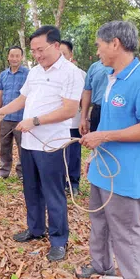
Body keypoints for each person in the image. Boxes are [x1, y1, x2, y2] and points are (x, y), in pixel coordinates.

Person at [77, 21, 140, 279]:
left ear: (115, 43)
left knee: (125, 231)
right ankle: (101, 266)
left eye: (99, 46)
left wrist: (103, 136)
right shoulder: (112, 77)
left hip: (125, 174)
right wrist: (95, 154)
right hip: (103, 168)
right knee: (99, 221)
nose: (97, 52)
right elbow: (109, 121)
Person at [0, 26, 84, 261]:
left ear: (55, 45)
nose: (37, 55)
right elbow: (22, 99)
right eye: (33, 51)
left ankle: (58, 240)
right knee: (31, 189)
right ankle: (35, 230)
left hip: (51, 143)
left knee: (53, 191)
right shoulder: (34, 73)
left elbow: (69, 109)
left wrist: (35, 121)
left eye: (40, 49)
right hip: (29, 142)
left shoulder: (70, 72)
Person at [0, 46, 29, 180]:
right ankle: (4, 170)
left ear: (21, 57)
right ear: (8, 57)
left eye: (17, 56)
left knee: (23, 146)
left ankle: (22, 172)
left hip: (22, 118)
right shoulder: (3, 75)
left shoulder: (28, 74)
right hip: (6, 118)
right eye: (12, 56)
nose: (14, 59)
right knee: (4, 146)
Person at [60, 40, 86, 195]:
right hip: (56, 123)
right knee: (59, 153)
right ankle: (60, 181)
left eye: (64, 54)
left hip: (74, 123)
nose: (61, 57)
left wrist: (84, 118)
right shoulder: (51, 74)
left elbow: (85, 99)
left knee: (74, 154)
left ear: (71, 56)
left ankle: (73, 183)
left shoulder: (81, 74)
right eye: (59, 54)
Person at [79, 60, 113, 135]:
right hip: (98, 110)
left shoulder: (124, 67)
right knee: (96, 141)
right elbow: (87, 91)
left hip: (116, 110)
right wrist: (83, 118)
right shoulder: (95, 67)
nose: (98, 52)